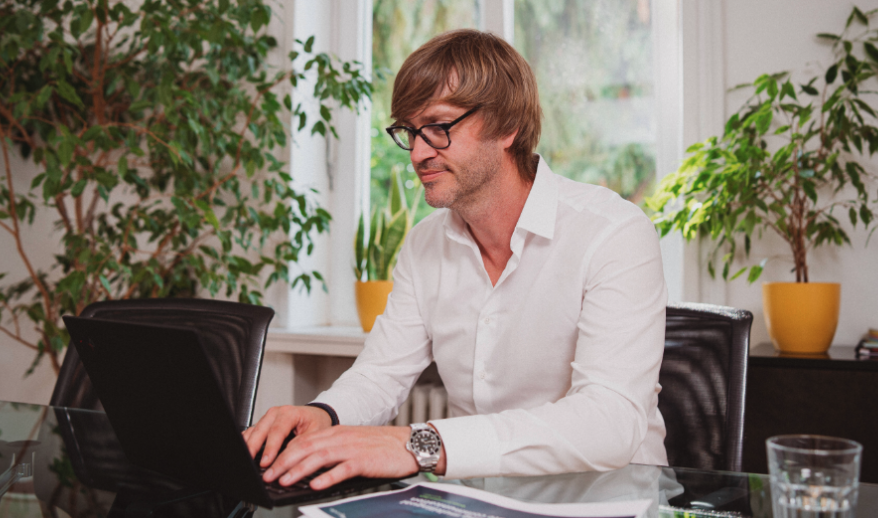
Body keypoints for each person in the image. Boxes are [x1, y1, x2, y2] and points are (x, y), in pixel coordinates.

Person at [243, 29, 668, 490]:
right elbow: (381, 373)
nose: (420, 152)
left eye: (440, 127)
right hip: (478, 500)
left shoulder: (613, 232)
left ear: (509, 128)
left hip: (607, 501)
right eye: (410, 131)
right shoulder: (425, 244)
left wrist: (418, 444)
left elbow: (609, 423)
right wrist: (323, 413)